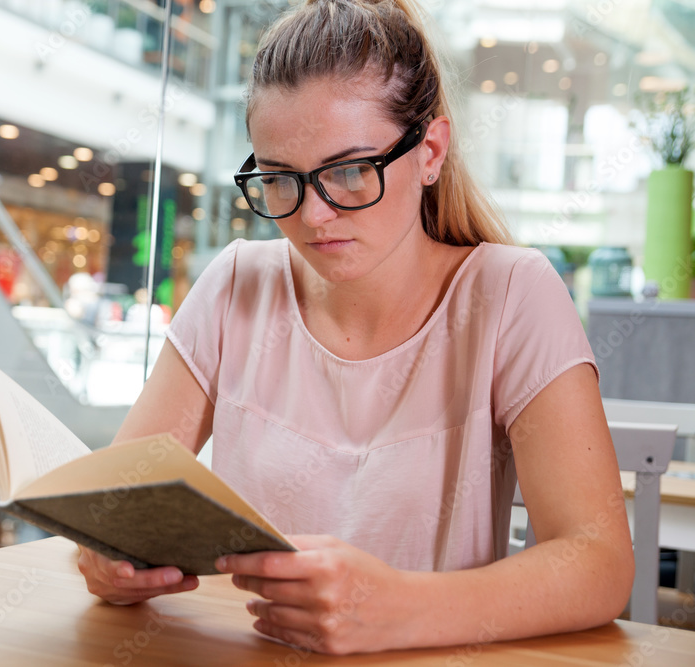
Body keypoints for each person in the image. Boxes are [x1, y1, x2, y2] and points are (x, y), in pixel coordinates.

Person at [77, 0, 634, 655]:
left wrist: (400, 611)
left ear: (429, 151)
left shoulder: (510, 294)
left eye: (347, 171)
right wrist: (104, 554)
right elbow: (114, 501)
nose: (313, 215)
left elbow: (599, 563)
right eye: (281, 179)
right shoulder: (235, 284)